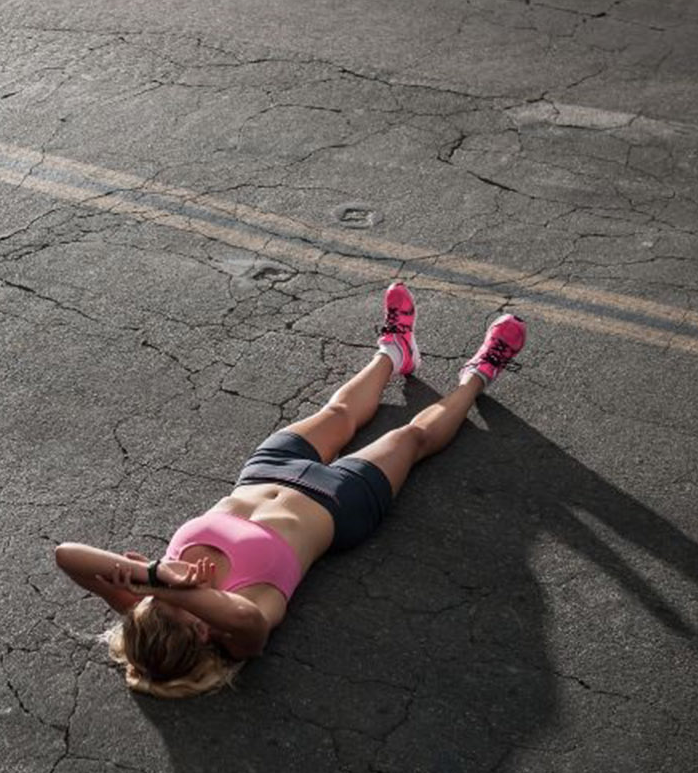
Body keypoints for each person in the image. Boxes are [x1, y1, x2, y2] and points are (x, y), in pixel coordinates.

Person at [53, 282, 526, 697]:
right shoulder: (241, 629)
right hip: (339, 502)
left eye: (157, 601)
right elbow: (242, 622)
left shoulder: (152, 602)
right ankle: (479, 374)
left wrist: (160, 579)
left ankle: (395, 350)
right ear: (202, 633)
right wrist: (169, 588)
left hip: (263, 472)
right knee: (409, 438)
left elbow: (67, 555)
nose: (167, 596)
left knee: (339, 411)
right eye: (181, 609)